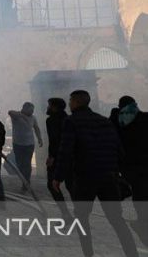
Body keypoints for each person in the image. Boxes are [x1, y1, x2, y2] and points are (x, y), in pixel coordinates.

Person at [53, 90, 138, 257]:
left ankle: (88, 253)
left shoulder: (71, 121)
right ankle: (132, 253)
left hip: (86, 177)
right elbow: (119, 150)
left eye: (71, 101)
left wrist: (58, 177)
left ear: (76, 102)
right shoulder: (104, 121)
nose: (69, 104)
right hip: (108, 176)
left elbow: (66, 151)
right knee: (116, 219)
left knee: (82, 218)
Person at [110, 95, 148, 244]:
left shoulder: (117, 121)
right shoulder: (145, 118)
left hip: (130, 167)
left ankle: (143, 224)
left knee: (139, 194)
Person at [45, 98, 73, 218]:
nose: (47, 108)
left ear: (54, 107)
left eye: (49, 106)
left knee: (52, 184)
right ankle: (80, 215)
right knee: (71, 186)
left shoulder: (51, 121)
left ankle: (66, 214)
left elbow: (54, 140)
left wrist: (51, 156)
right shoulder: (69, 119)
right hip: (71, 157)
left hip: (58, 157)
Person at [8, 102, 43, 191]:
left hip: (29, 144)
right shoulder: (17, 116)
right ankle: (24, 179)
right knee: (20, 164)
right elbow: (10, 112)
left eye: (33, 110)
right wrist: (24, 116)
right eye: (31, 110)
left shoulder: (33, 117)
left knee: (27, 163)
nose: (32, 112)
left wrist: (39, 138)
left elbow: (36, 128)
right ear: (24, 108)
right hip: (18, 144)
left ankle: (26, 182)